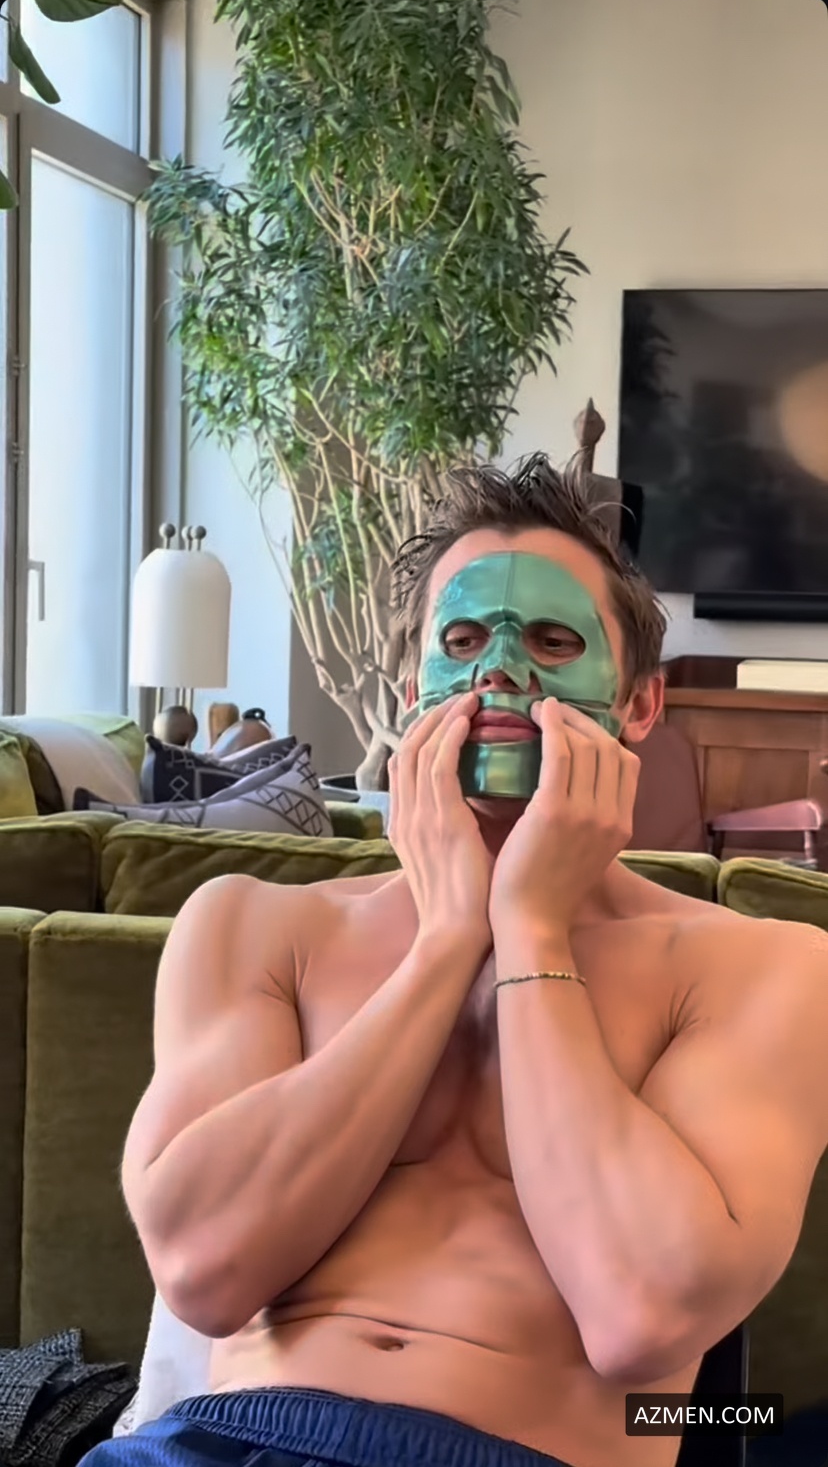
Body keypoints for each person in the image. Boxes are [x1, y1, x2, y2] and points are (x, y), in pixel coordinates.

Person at [81, 455, 828, 1467]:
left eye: (554, 641)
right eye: (464, 641)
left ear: (641, 706)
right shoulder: (247, 924)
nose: (499, 673)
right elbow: (203, 1273)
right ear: (411, 694)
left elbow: (641, 1318)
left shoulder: (766, 968)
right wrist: (445, 942)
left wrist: (531, 928)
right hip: (221, 1442)